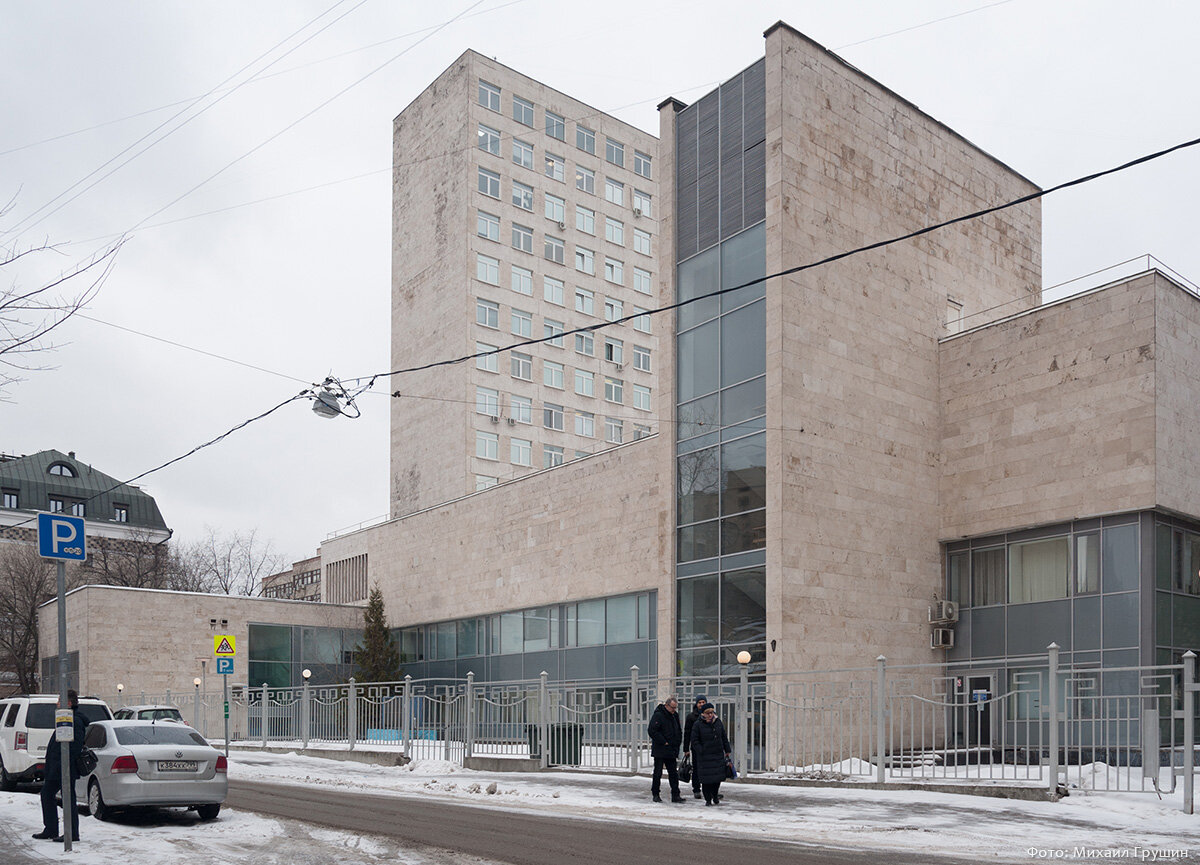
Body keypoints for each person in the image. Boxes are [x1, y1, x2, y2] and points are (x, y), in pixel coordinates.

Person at [33, 690, 87, 843]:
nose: (57, 703)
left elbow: (74, 747)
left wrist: (63, 767)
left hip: (64, 768)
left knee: (66, 799)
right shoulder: (66, 719)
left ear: (68, 703)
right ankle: (51, 829)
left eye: (59, 700)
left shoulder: (74, 721)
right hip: (58, 767)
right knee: (49, 795)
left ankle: (70, 833)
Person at [690, 702, 731, 806]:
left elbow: (723, 736)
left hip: (717, 754)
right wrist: (701, 750)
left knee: (717, 778)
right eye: (708, 713)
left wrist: (727, 750)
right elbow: (694, 740)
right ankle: (708, 799)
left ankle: (715, 795)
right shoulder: (698, 724)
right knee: (706, 780)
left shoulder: (718, 722)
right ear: (703, 713)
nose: (710, 715)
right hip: (705, 756)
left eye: (711, 712)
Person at [646, 695, 685, 803]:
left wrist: (677, 742)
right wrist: (664, 741)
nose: (674, 710)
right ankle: (655, 794)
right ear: (667, 705)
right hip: (660, 749)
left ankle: (675, 795)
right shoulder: (658, 715)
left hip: (671, 749)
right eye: (672, 707)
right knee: (657, 773)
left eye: (675, 708)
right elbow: (652, 731)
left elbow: (678, 730)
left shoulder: (674, 715)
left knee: (673, 773)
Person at [682, 694, 707, 800]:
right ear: (696, 704)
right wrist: (686, 749)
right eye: (699, 702)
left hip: (708, 747)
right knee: (696, 768)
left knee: (708, 769)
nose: (701, 704)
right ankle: (696, 789)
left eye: (703, 702)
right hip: (696, 747)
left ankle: (710, 790)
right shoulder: (691, 717)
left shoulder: (711, 715)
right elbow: (687, 733)